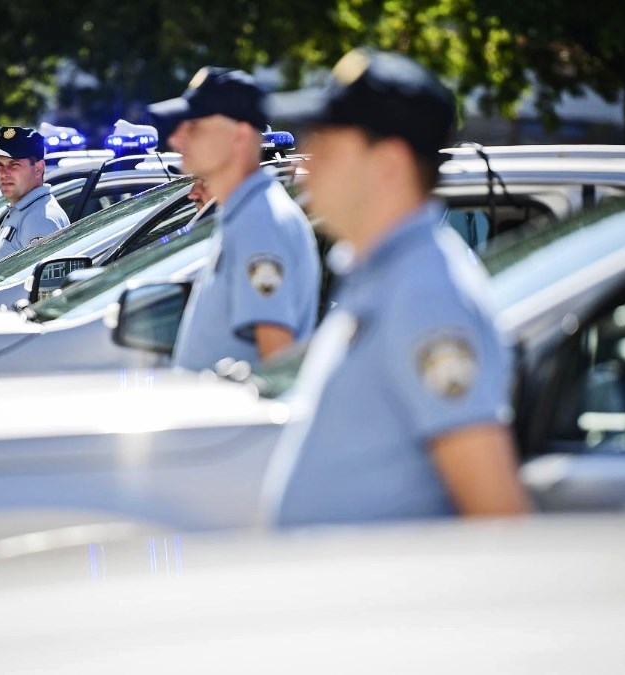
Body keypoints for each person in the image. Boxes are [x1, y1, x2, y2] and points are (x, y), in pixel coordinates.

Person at [260, 48, 530, 527]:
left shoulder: (427, 293)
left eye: (327, 147)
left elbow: (495, 513)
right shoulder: (389, 275)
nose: (306, 168)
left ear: (388, 164)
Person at [148, 67, 321, 371]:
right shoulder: (247, 212)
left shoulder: (261, 222)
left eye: (195, 127)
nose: (177, 138)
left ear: (240, 137)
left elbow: (276, 360)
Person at [0, 125, 70, 265]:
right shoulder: (27, 209)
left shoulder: (41, 219)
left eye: (14, 164)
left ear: (38, 169)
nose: (4, 173)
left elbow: (44, 285)